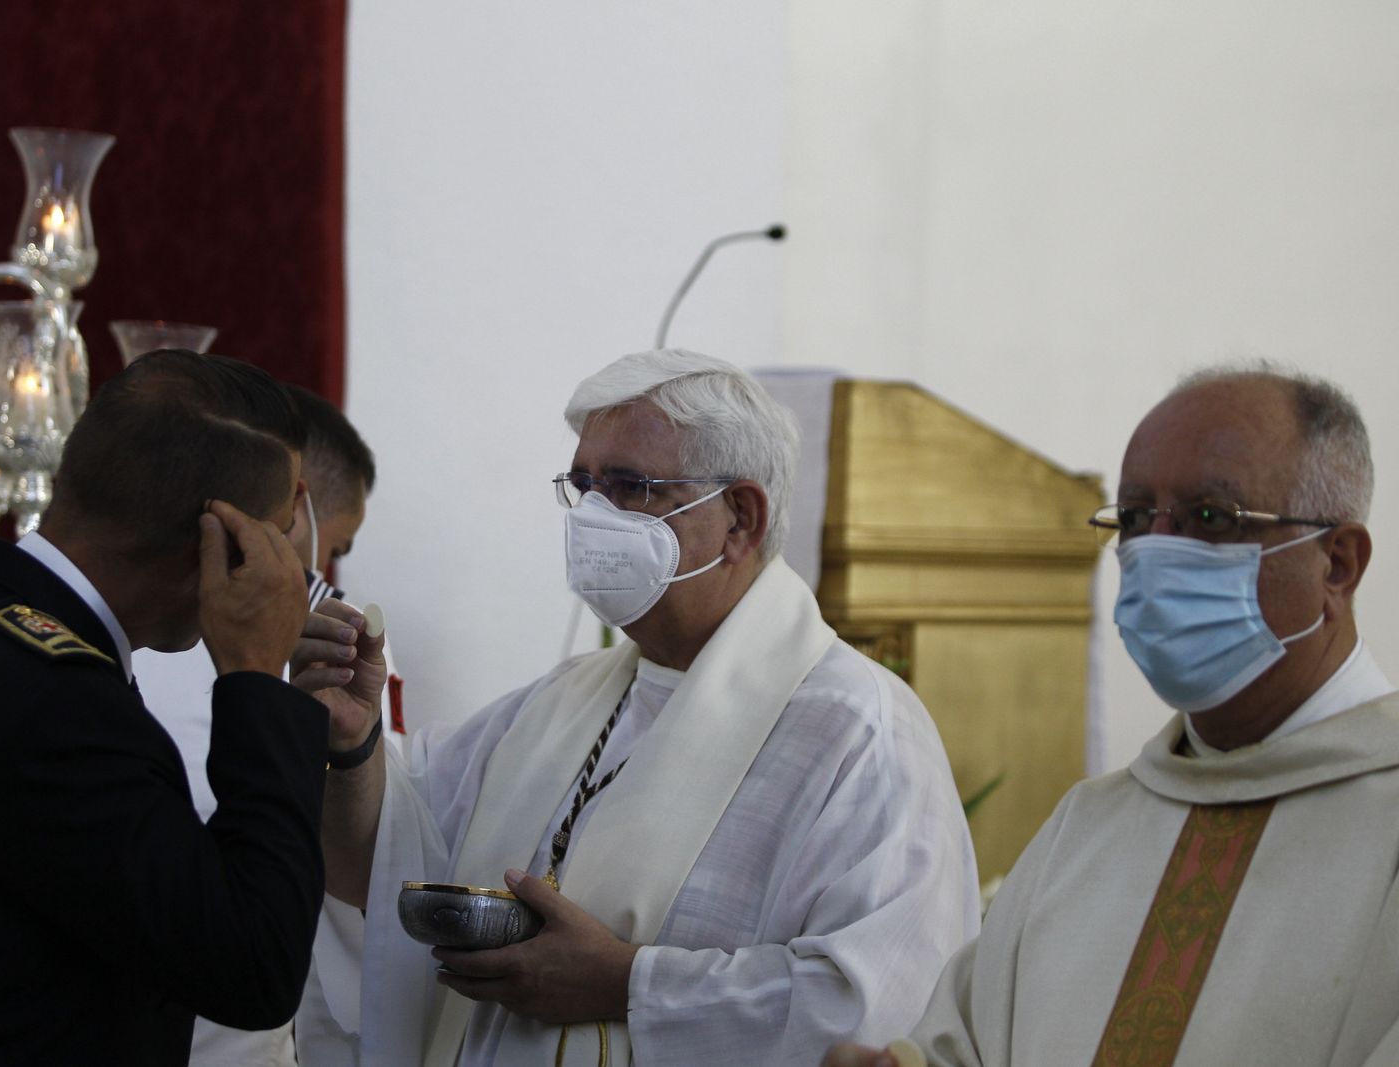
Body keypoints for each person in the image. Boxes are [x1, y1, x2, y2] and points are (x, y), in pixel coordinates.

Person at [296, 349, 980, 1066]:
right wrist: (353, 744)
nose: (594, 515)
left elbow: (876, 1005)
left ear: (740, 517)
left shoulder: (859, 732)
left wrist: (626, 983)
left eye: (629, 486)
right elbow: (384, 865)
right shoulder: (558, 703)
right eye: (584, 485)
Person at [823, 364, 1399, 1067]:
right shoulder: (1087, 825)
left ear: (1336, 564)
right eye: (1132, 520)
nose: (1153, 552)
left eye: (1210, 518)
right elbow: (966, 1046)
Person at [0, 350, 333, 1067]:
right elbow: (254, 964)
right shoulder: (60, 708)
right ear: (215, 546)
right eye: (275, 542)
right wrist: (255, 676)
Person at [133, 383, 381, 1067]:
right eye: (339, 545)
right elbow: (356, 873)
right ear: (297, 508)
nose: (328, 571)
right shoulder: (335, 632)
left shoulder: (130, 619)